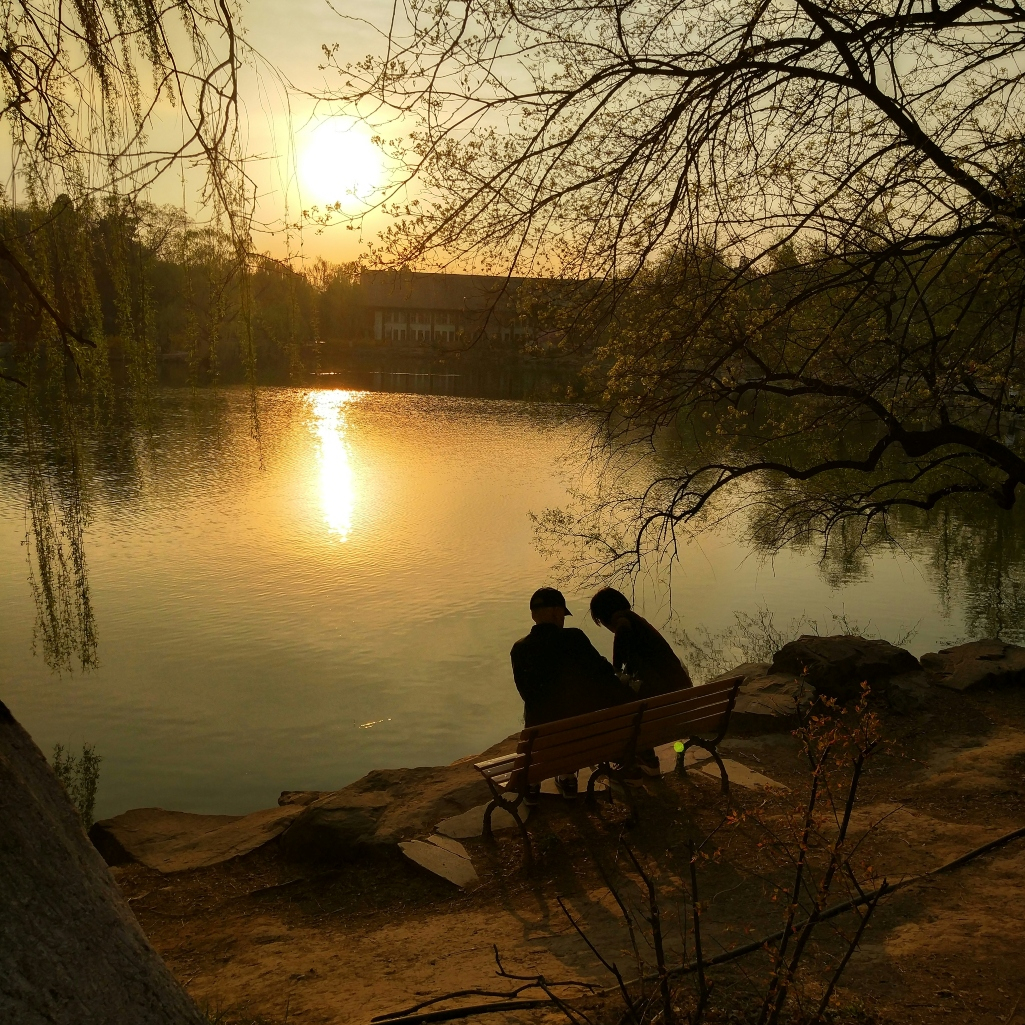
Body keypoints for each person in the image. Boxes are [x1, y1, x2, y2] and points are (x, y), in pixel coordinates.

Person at [510, 586, 634, 802]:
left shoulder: (519, 649)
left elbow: (527, 694)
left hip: (541, 741)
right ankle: (567, 776)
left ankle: (532, 784)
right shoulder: (575, 638)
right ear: (557, 612)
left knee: (539, 708)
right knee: (572, 707)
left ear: (533, 615)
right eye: (563, 615)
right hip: (585, 739)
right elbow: (604, 676)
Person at [589, 587, 693, 698]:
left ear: (603, 616)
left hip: (669, 692)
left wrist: (616, 668)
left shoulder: (622, 619)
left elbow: (623, 629)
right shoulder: (638, 624)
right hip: (681, 686)